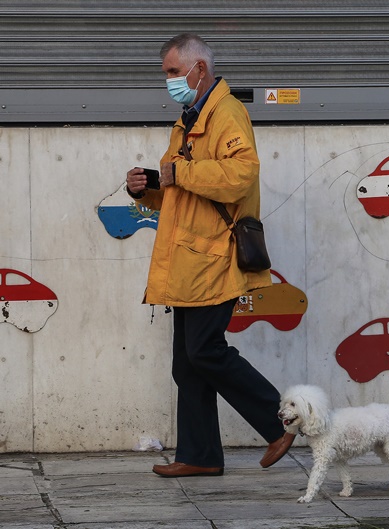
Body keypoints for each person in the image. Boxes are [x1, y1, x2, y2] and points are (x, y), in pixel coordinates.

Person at [125, 33, 294, 477]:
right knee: (188, 361)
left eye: (173, 72)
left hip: (215, 257)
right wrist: (146, 187)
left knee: (204, 351)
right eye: (166, 73)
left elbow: (240, 175)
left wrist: (177, 171)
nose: (169, 81)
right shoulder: (187, 120)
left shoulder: (227, 114)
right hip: (189, 259)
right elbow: (179, 192)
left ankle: (280, 423)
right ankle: (199, 455)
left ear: (199, 69)